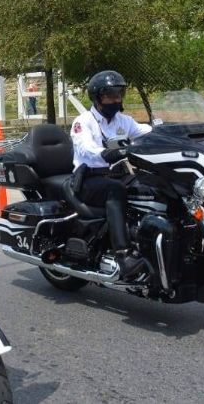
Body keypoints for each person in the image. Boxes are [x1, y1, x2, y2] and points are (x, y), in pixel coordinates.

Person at [69, 70, 152, 279]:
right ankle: (124, 256)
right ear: (98, 97)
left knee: (151, 186)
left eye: (119, 94)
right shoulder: (83, 122)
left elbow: (146, 132)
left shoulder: (123, 121)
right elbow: (86, 149)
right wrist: (107, 153)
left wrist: (171, 132)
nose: (116, 100)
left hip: (117, 174)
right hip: (89, 178)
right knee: (115, 190)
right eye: (111, 95)